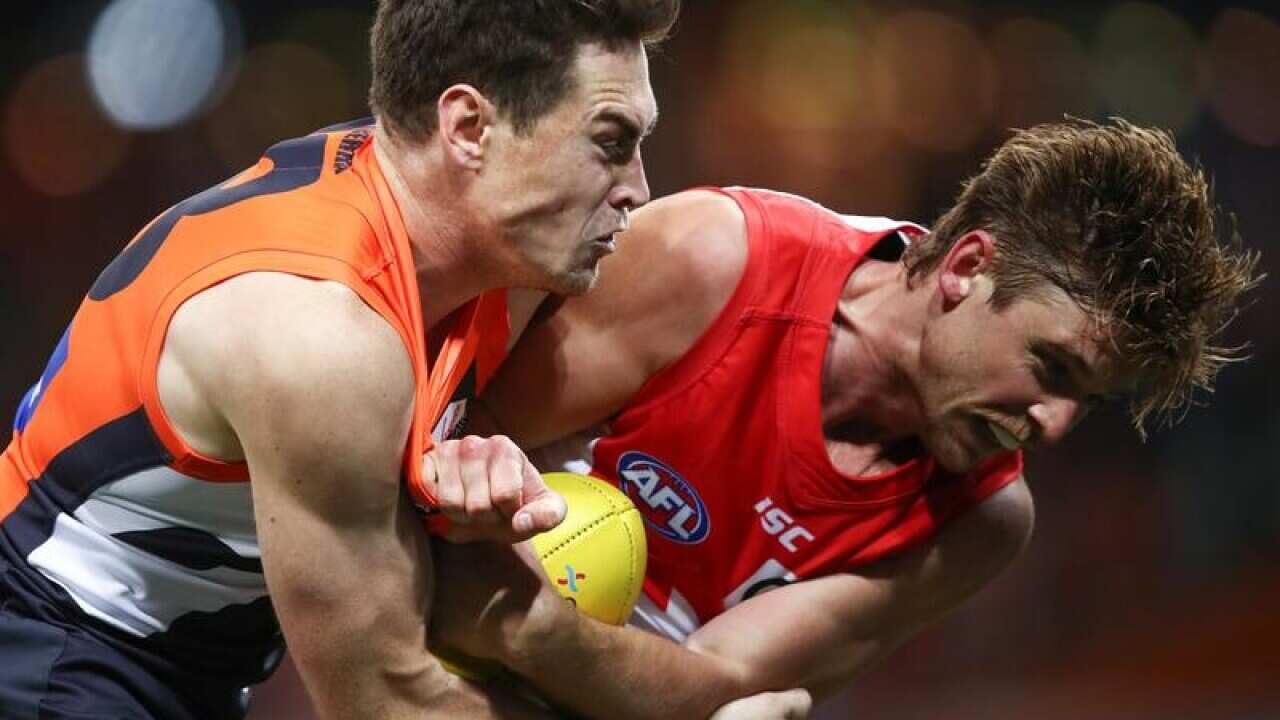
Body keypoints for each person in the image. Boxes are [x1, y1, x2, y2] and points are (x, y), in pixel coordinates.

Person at [426, 119, 1261, 718]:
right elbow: (440, 452)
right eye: (1052, 369)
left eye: (1093, 402)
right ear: (967, 266)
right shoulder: (715, 260)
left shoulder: (981, 521)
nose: (1054, 425)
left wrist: (528, 627)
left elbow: (721, 687)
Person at [0, 1, 679, 718]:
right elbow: (384, 703)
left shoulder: (467, 230)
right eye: (610, 142)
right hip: (54, 657)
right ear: (469, 129)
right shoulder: (316, 335)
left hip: (181, 663)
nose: (638, 187)